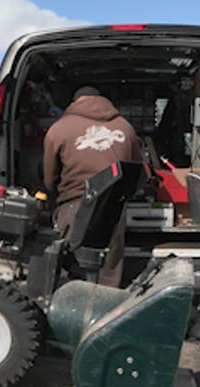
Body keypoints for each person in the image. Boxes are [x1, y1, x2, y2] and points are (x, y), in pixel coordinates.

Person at [43, 86, 141, 287]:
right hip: (113, 207)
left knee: (70, 265)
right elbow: (139, 171)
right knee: (109, 268)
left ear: (74, 102)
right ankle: (106, 310)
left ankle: (71, 308)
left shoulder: (59, 128)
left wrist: (52, 197)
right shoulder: (126, 127)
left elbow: (49, 177)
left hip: (74, 204)